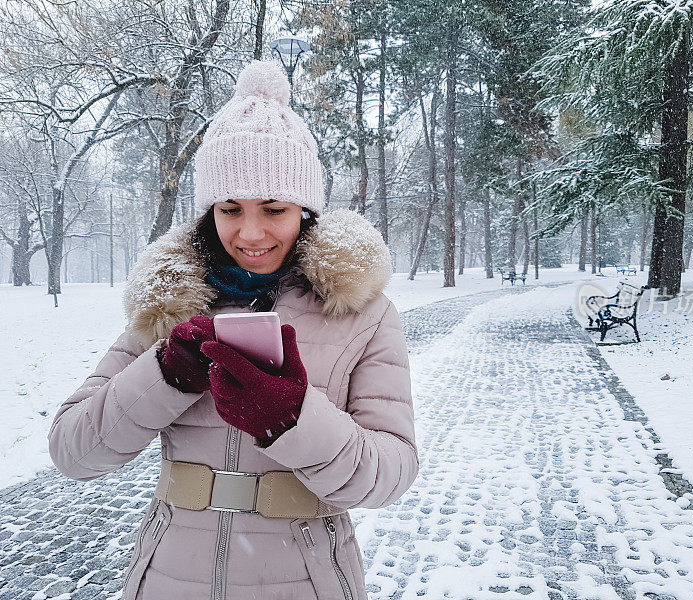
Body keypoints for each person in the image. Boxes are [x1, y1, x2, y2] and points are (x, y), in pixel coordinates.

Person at [48, 60, 418, 600]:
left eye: (274, 208)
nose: (250, 232)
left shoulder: (363, 311)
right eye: (230, 208)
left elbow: (391, 472)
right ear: (209, 211)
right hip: (170, 580)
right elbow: (72, 451)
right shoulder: (170, 308)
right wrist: (164, 376)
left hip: (306, 581)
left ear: (305, 211)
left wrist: (292, 418)